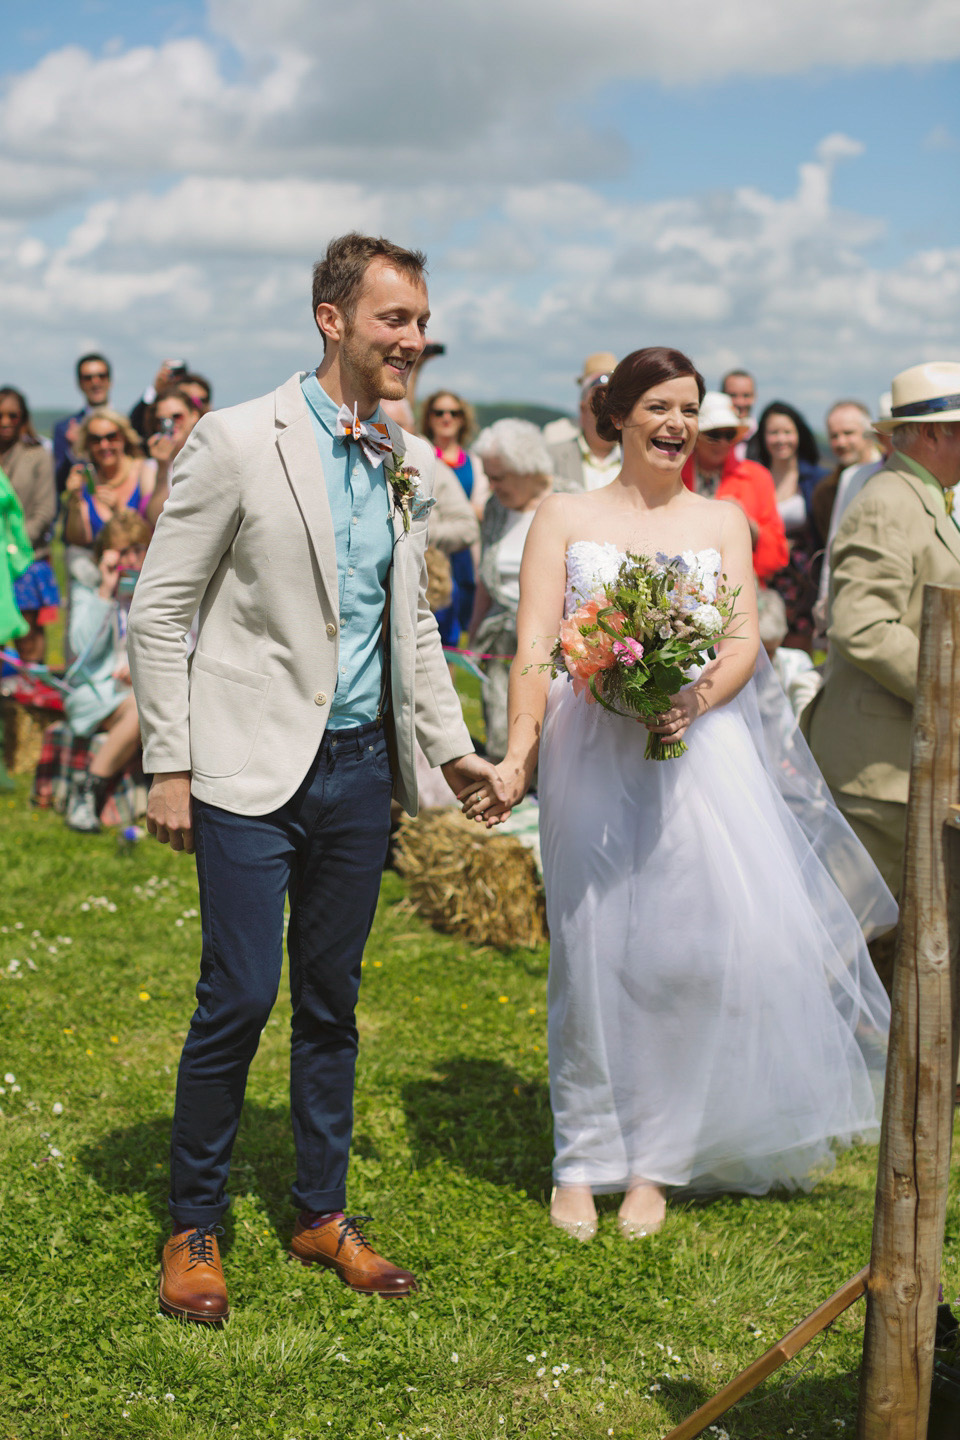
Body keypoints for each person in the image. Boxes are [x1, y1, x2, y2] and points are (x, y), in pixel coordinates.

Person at [127, 231, 504, 1322]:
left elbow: (413, 629)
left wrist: (452, 748)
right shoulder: (237, 440)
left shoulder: (404, 461)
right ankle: (193, 1222)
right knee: (239, 996)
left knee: (331, 1002)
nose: (417, 341)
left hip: (357, 775)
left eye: (423, 323)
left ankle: (319, 1211)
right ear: (332, 319)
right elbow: (161, 609)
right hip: (245, 771)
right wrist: (169, 763)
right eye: (398, 320)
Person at [461, 346, 893, 1242]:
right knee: (589, 950)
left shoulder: (724, 519)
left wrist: (689, 700)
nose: (677, 423)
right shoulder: (562, 515)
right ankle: (581, 1159)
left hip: (700, 753)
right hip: (588, 753)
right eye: (658, 405)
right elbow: (537, 643)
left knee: (680, 959)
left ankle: (656, 1159)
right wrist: (518, 758)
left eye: (689, 408)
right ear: (614, 416)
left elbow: (741, 642)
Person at [804, 362, 960, 980]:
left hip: (897, 761)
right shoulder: (891, 502)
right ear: (932, 436)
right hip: (875, 770)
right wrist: (952, 691)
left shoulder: (922, 500)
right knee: (831, 940)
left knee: (875, 938)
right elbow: (862, 626)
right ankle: (755, 1059)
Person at [468, 419, 554, 760]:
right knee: (502, 734)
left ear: (526, 469)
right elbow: (485, 582)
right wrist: (474, 635)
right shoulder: (494, 508)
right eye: (489, 477)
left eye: (499, 477)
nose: (492, 486)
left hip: (552, 644)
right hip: (501, 643)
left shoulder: (567, 499)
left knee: (547, 732)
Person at [62, 512, 151, 833]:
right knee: (142, 711)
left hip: (140, 690)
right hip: (95, 691)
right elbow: (81, 645)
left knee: (144, 705)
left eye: (137, 550)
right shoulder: (90, 588)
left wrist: (142, 668)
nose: (130, 559)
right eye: (121, 551)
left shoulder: (155, 588)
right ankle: (86, 793)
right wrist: (105, 591)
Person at [681, 391, 787, 585]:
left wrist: (749, 526)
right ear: (696, 436)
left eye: (728, 435)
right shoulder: (673, 474)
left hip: (741, 587)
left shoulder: (757, 477)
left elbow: (776, 557)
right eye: (714, 434)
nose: (722, 443)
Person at [751, 400, 829, 647]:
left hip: (803, 580)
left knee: (798, 647)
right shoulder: (752, 476)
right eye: (773, 432)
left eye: (787, 432)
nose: (780, 439)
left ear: (799, 435)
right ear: (763, 437)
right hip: (764, 574)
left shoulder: (816, 479)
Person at [419, 389, 488, 644]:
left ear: (462, 418)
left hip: (464, 553)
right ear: (429, 417)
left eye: (453, 412)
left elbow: (482, 506)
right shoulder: (422, 457)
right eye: (439, 412)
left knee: (453, 631)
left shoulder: (474, 463)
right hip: (434, 552)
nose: (446, 418)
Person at [0, 388, 58, 662]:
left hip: (28, 557)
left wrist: (13, 547)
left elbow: (45, 510)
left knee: (29, 639)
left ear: (23, 417)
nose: (5, 421)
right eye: (0, 415)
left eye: (13, 415)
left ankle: (30, 701)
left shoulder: (38, 454)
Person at [62, 410, 157, 549]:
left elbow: (152, 530)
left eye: (111, 437)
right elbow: (79, 539)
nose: (104, 445)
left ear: (123, 438)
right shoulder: (86, 479)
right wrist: (75, 501)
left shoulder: (144, 471)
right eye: (95, 439)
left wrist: (119, 509)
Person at [544, 352, 622, 492]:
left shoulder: (636, 455)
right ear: (583, 408)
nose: (605, 407)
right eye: (597, 401)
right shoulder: (554, 444)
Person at [810, 401, 881, 543]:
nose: (841, 442)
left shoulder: (887, 475)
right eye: (834, 436)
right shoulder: (824, 491)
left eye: (848, 433)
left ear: (868, 433)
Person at [141, 387, 202, 527]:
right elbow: (155, 518)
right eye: (162, 420)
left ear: (194, 415)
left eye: (177, 416)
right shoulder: (151, 466)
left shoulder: (209, 455)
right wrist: (162, 468)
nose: (170, 424)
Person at [53, 354, 112, 493]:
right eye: (88, 378)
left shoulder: (126, 423)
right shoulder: (64, 428)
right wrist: (74, 451)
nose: (95, 382)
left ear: (109, 380)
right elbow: (59, 483)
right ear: (80, 383)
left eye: (101, 376)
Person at [720, 368, 757, 460]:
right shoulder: (707, 439)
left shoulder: (764, 438)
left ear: (755, 397)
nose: (740, 402)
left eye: (746, 395)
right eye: (733, 395)